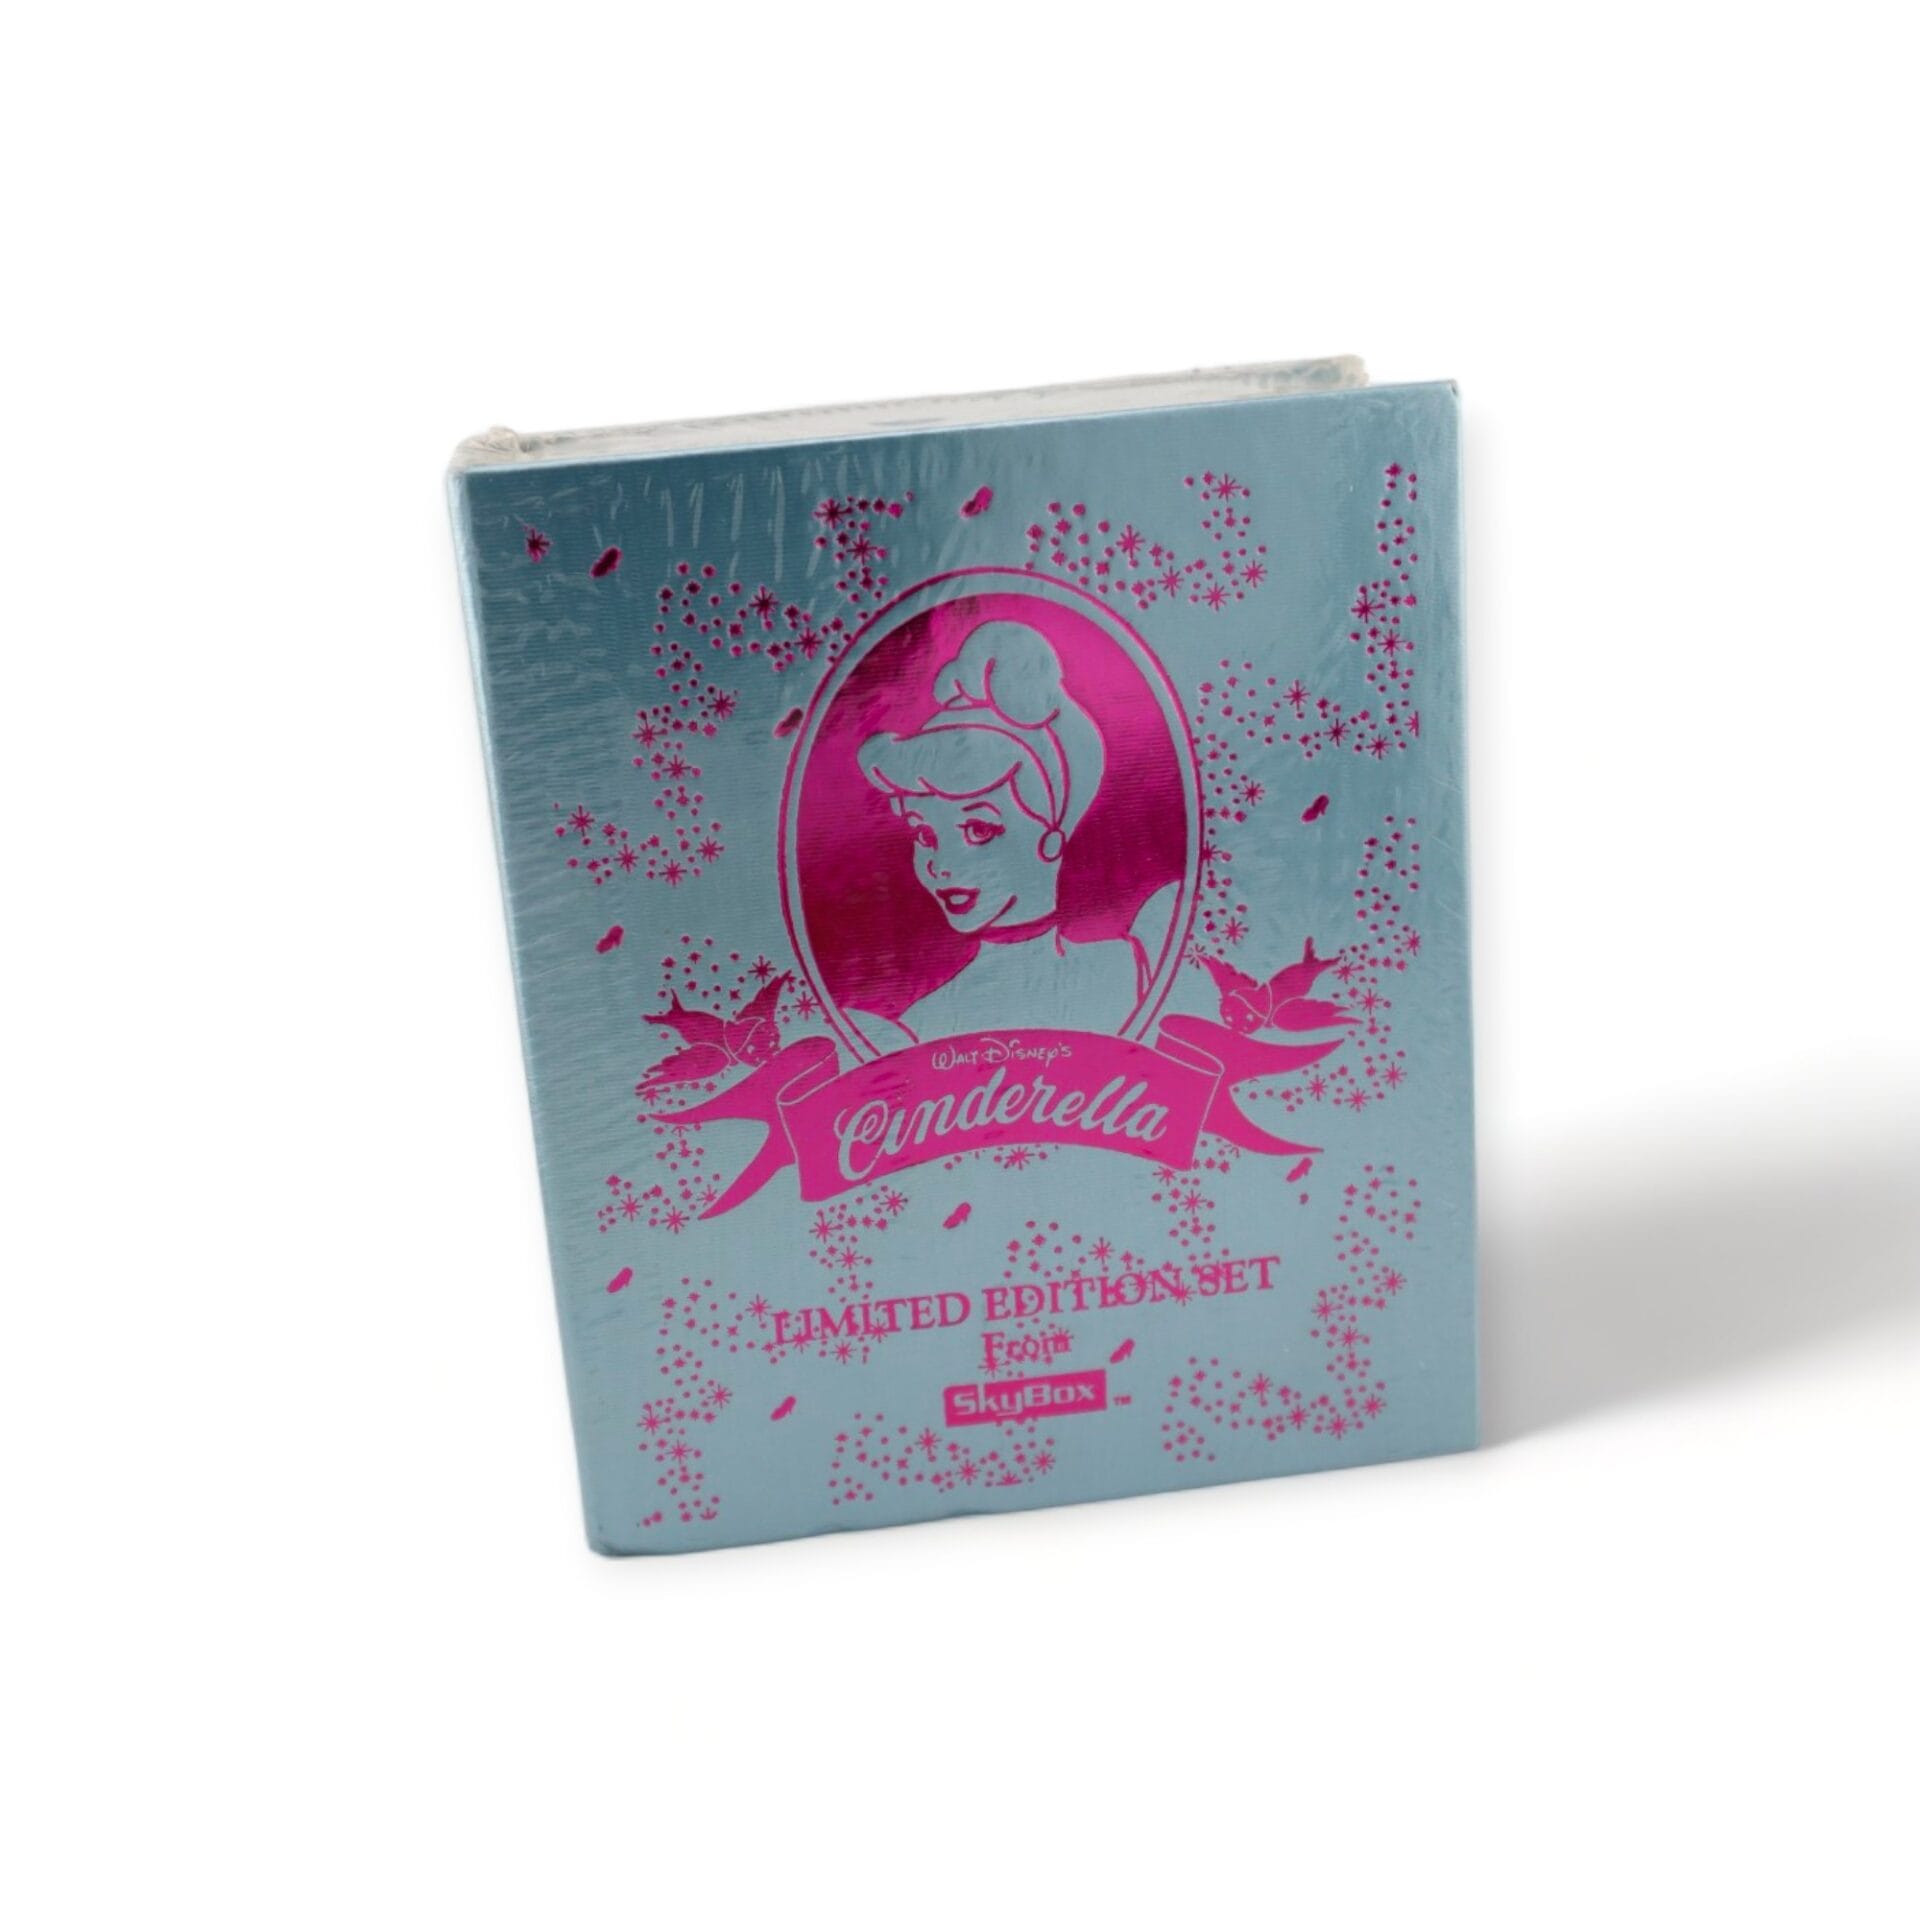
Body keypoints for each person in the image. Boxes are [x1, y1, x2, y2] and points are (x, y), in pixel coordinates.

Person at [852, 619, 1176, 1050]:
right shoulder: (921, 1023)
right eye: (925, 835)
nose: (942, 864)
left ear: (1051, 838)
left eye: (978, 829)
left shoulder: (1132, 966)